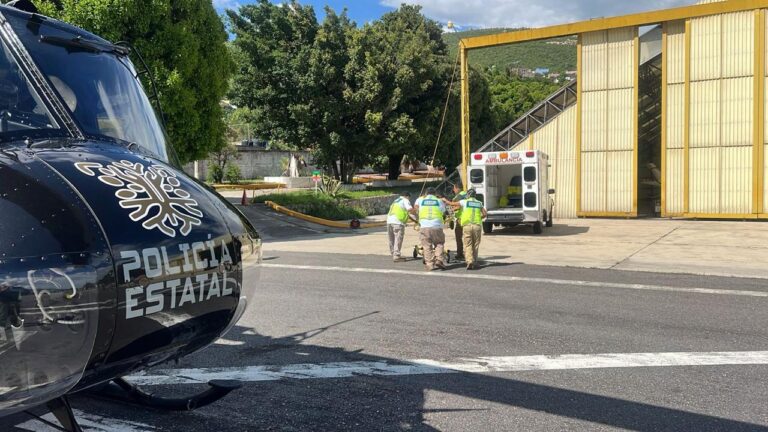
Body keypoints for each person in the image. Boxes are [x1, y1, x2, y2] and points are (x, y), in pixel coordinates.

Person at [448, 189, 487, 270]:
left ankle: (469, 261)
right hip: (477, 226)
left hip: (467, 225)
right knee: (475, 245)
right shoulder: (479, 203)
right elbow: (485, 214)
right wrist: (479, 218)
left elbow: (452, 203)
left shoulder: (464, 202)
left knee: (468, 244)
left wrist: (445, 200)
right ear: (475, 195)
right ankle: (475, 262)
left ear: (468, 195)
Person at [411, 187, 447, 271]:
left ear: (426, 193)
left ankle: (430, 264)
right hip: (437, 226)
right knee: (439, 243)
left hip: (424, 226)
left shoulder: (420, 199)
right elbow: (443, 211)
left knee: (426, 245)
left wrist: (419, 213)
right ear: (435, 194)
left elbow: (415, 207)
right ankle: (439, 259)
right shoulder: (439, 201)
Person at [387, 191, 413, 262]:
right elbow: (410, 209)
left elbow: (404, 212)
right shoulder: (405, 200)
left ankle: (393, 253)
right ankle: (397, 255)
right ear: (407, 196)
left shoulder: (396, 201)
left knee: (391, 239)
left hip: (389, 221)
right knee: (398, 239)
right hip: (398, 222)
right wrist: (417, 214)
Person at [451, 184, 467, 261]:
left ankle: (460, 254)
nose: (453, 190)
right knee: (468, 238)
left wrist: (452, 209)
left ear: (457, 188)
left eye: (454, 188)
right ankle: (469, 254)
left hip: (460, 219)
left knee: (459, 237)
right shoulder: (467, 194)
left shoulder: (458, 197)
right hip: (468, 219)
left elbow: (457, 207)